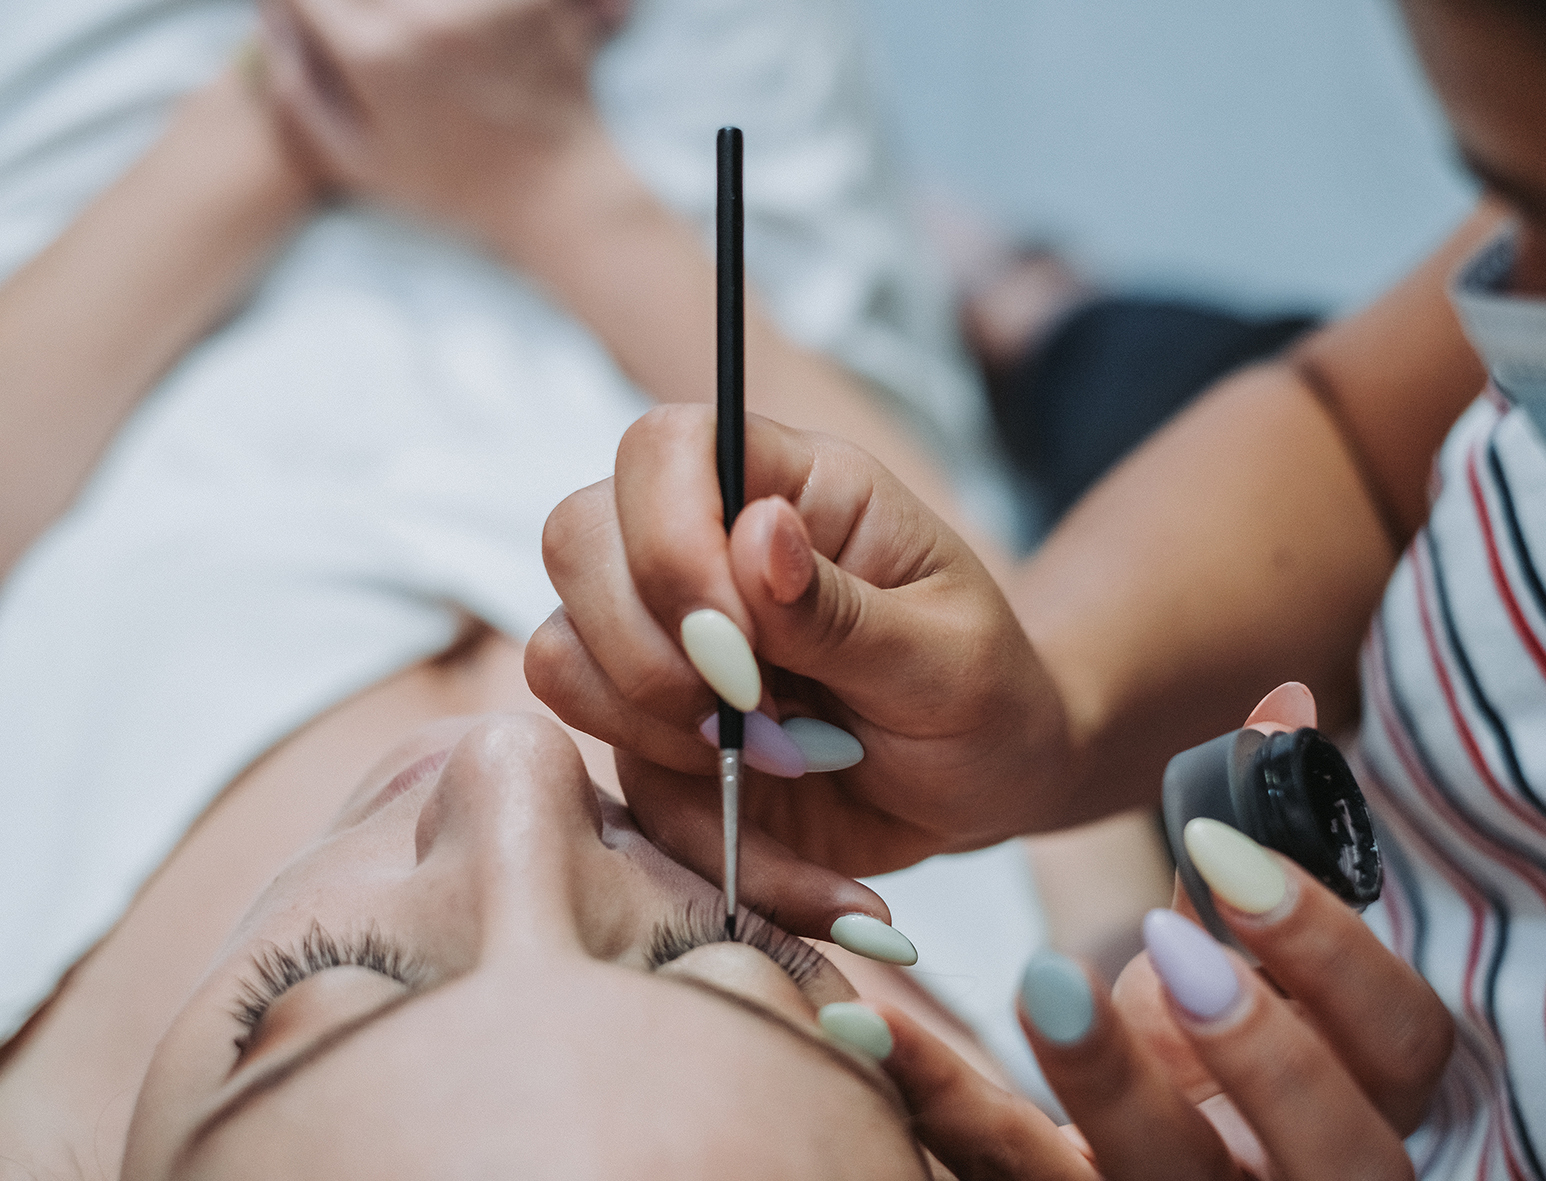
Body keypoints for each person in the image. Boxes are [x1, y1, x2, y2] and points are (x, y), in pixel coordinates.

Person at [527, 0, 1546, 1175]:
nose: (1511, 332)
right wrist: (1046, 703)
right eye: (1497, 207)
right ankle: (1032, 301)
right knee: (1116, 360)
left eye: (357, 971)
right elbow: (1355, 436)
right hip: (1287, 663)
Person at [0, 0, 1028, 1171]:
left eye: (312, 990)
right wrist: (552, 184)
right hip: (680, 237)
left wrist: (272, 116)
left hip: (117, 212)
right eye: (729, 953)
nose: (513, 758)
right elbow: (1014, 642)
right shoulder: (1061, 1070)